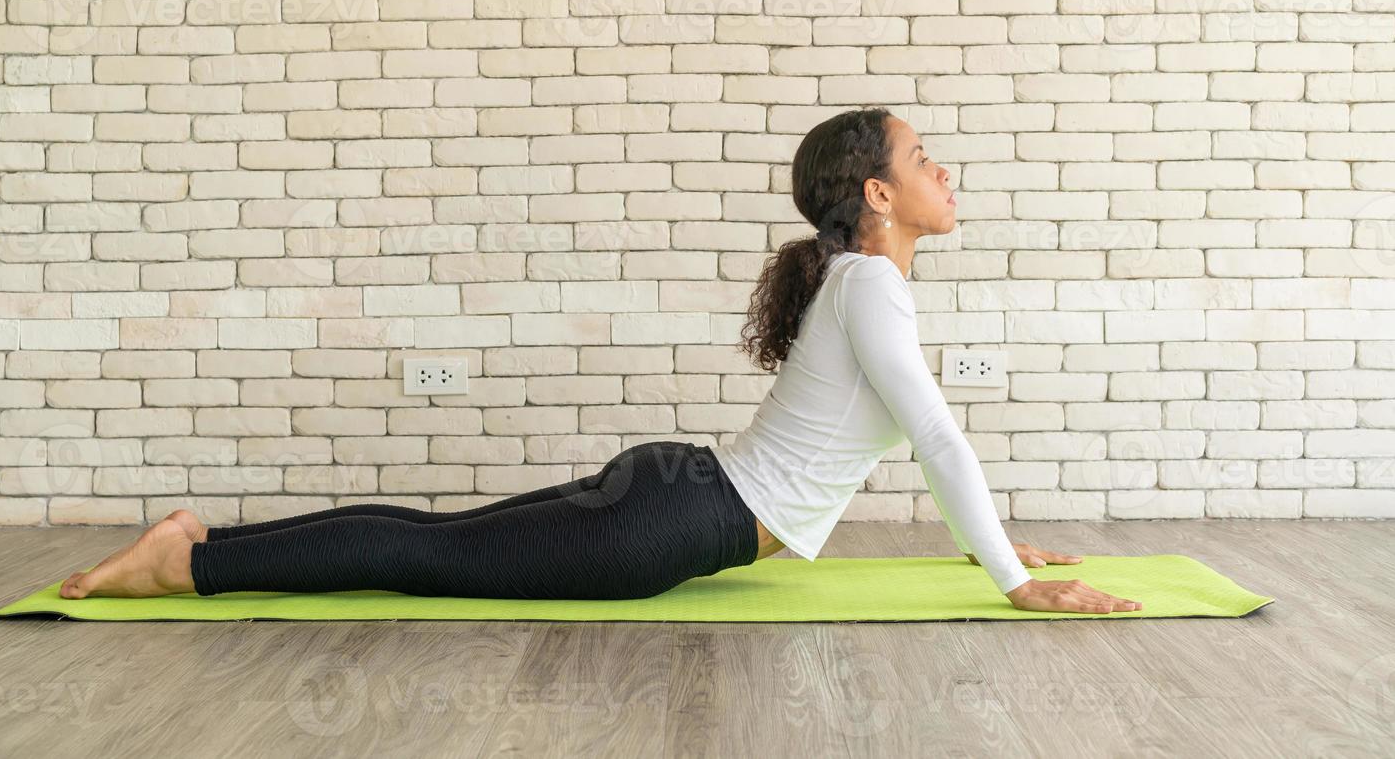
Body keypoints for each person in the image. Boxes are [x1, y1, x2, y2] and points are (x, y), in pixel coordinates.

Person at [60, 107, 1140, 615]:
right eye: (922, 158)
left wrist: (992, 542)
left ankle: (200, 542)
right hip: (671, 516)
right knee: (431, 555)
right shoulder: (871, 287)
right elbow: (937, 435)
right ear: (876, 195)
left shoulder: (861, 288)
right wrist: (1009, 579)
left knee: (438, 541)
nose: (943, 168)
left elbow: (875, 446)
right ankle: (192, 562)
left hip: (679, 494)